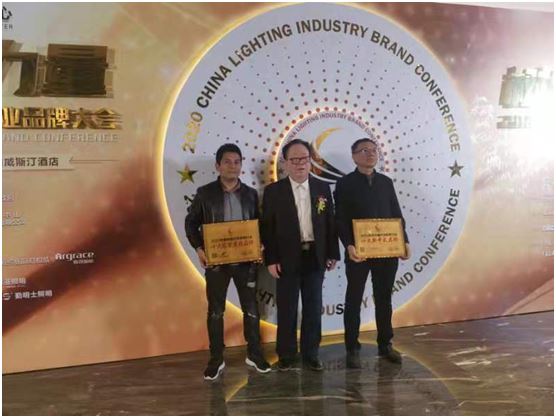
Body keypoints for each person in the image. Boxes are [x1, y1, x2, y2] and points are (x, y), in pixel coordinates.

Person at [185, 143, 271, 380]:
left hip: (246, 262)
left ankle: (254, 354)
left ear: (241, 165)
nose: (232, 166)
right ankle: (216, 359)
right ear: (218, 166)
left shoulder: (251, 194)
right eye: (227, 162)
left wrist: (261, 244)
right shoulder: (205, 194)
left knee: (251, 309)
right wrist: (199, 249)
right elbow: (190, 223)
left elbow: (260, 225)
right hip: (217, 263)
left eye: (237, 162)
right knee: (216, 311)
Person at [261, 139, 340, 371]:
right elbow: (267, 229)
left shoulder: (322, 188)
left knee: (314, 307)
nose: (300, 164)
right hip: (286, 258)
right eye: (294, 160)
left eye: (304, 159)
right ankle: (286, 354)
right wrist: (271, 259)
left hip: (315, 255)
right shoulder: (274, 192)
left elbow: (330, 222)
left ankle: (311, 353)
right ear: (285, 163)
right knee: (287, 307)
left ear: (310, 161)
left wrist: (332, 252)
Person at [334, 138, 411, 367]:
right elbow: (340, 218)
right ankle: (352, 347)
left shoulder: (386, 182)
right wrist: (349, 245)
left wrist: (404, 241)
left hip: (387, 250)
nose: (370, 154)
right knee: (354, 298)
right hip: (359, 252)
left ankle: (385, 344)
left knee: (384, 298)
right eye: (364, 150)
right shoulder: (345, 184)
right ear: (354, 156)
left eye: (373, 150)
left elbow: (396, 214)